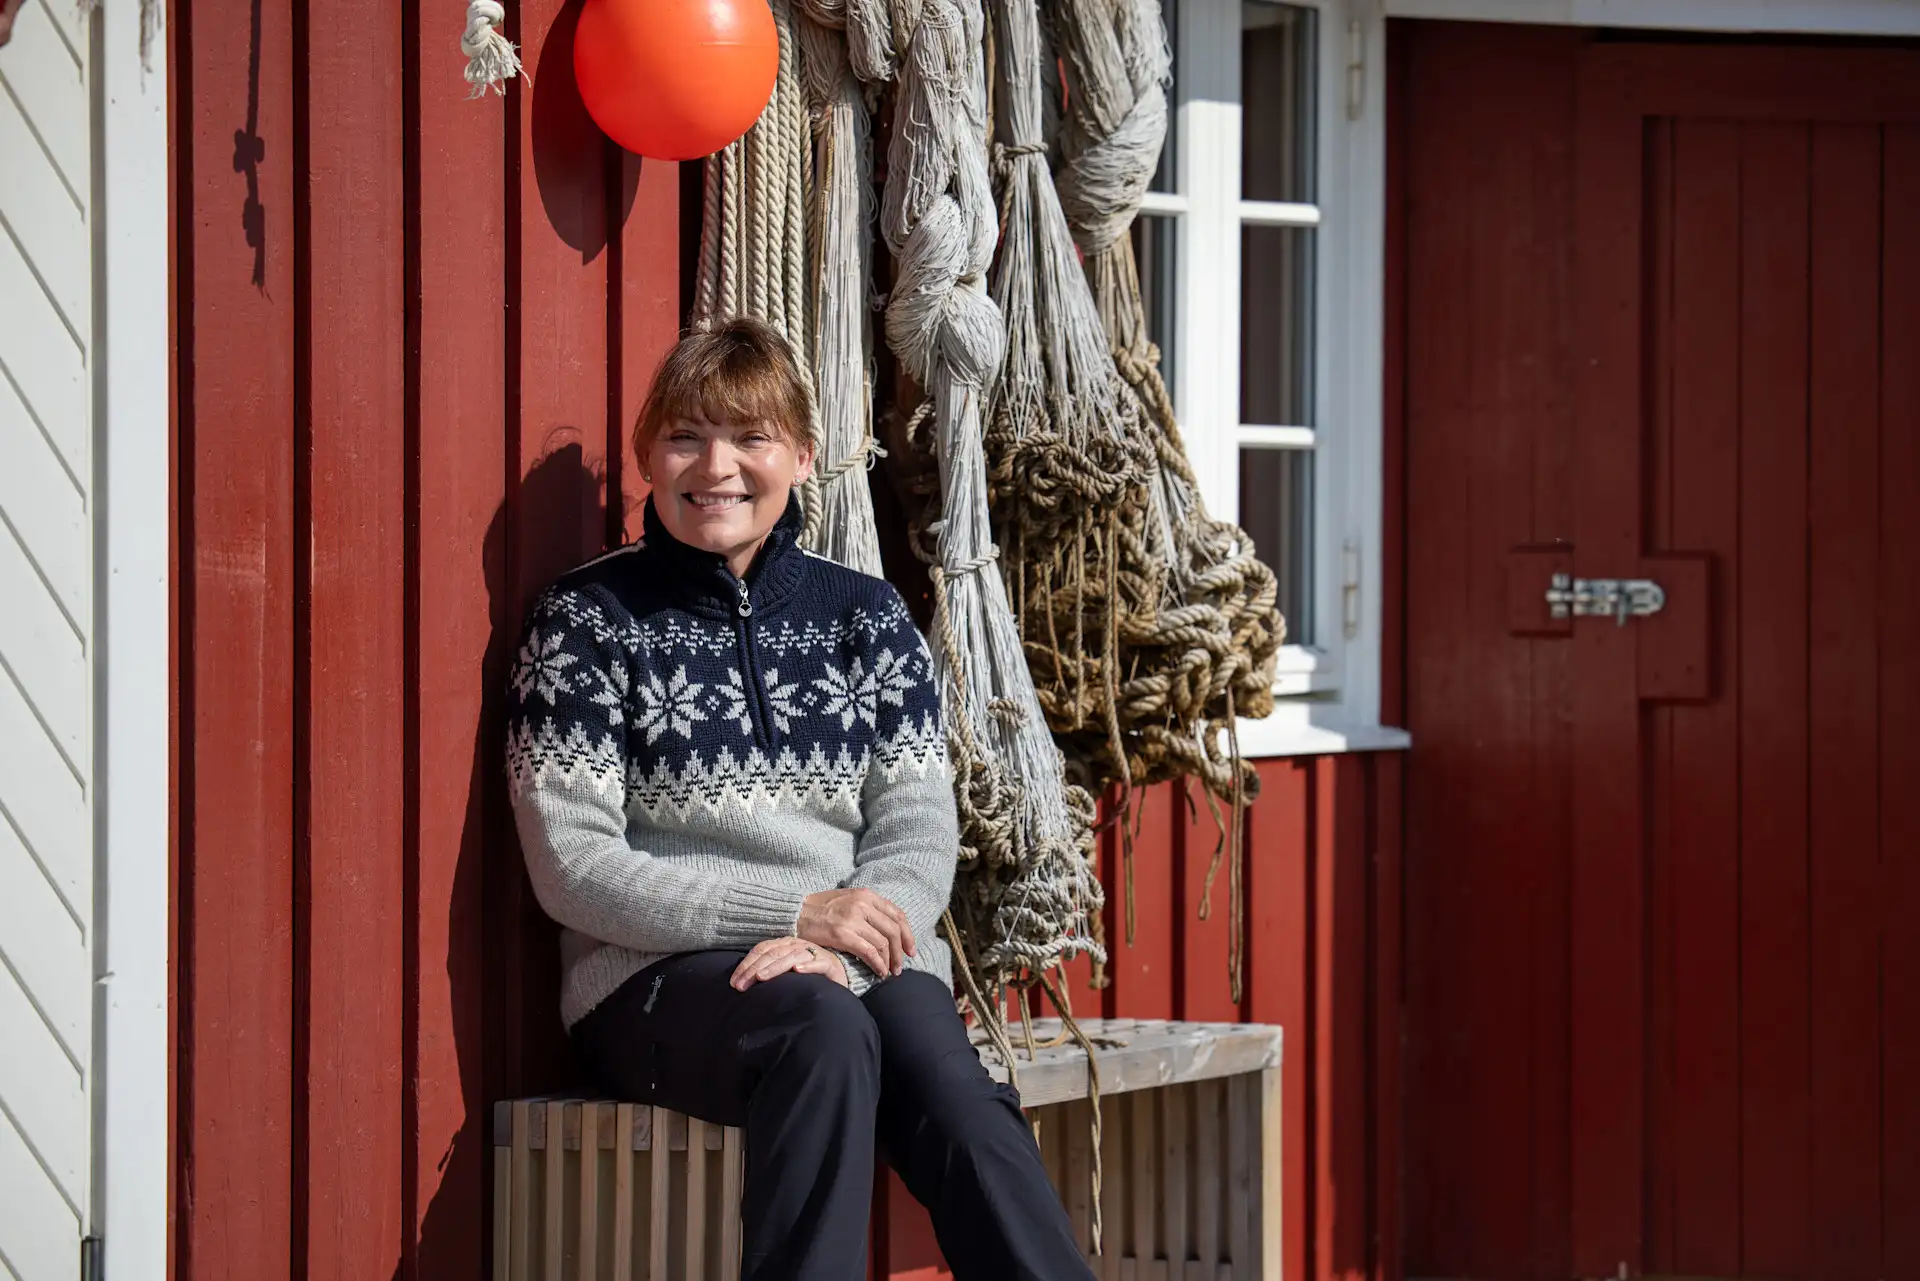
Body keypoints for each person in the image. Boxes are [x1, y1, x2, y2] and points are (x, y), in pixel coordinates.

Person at [505, 318, 1096, 1281]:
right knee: (818, 1030)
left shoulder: (866, 616)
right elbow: (575, 869)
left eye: (751, 438)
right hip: (652, 981)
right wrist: (789, 913)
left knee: (952, 1090)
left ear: (804, 457)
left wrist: (833, 943)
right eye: (687, 437)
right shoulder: (587, 623)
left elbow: (916, 827)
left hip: (852, 959)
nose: (718, 467)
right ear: (647, 454)